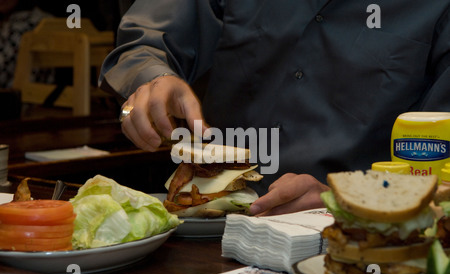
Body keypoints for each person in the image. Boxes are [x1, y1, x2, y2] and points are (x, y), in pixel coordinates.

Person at [99, 0, 450, 216]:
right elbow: (144, 42)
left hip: (357, 247)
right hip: (213, 225)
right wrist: (150, 81)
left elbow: (439, 182)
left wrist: (341, 202)